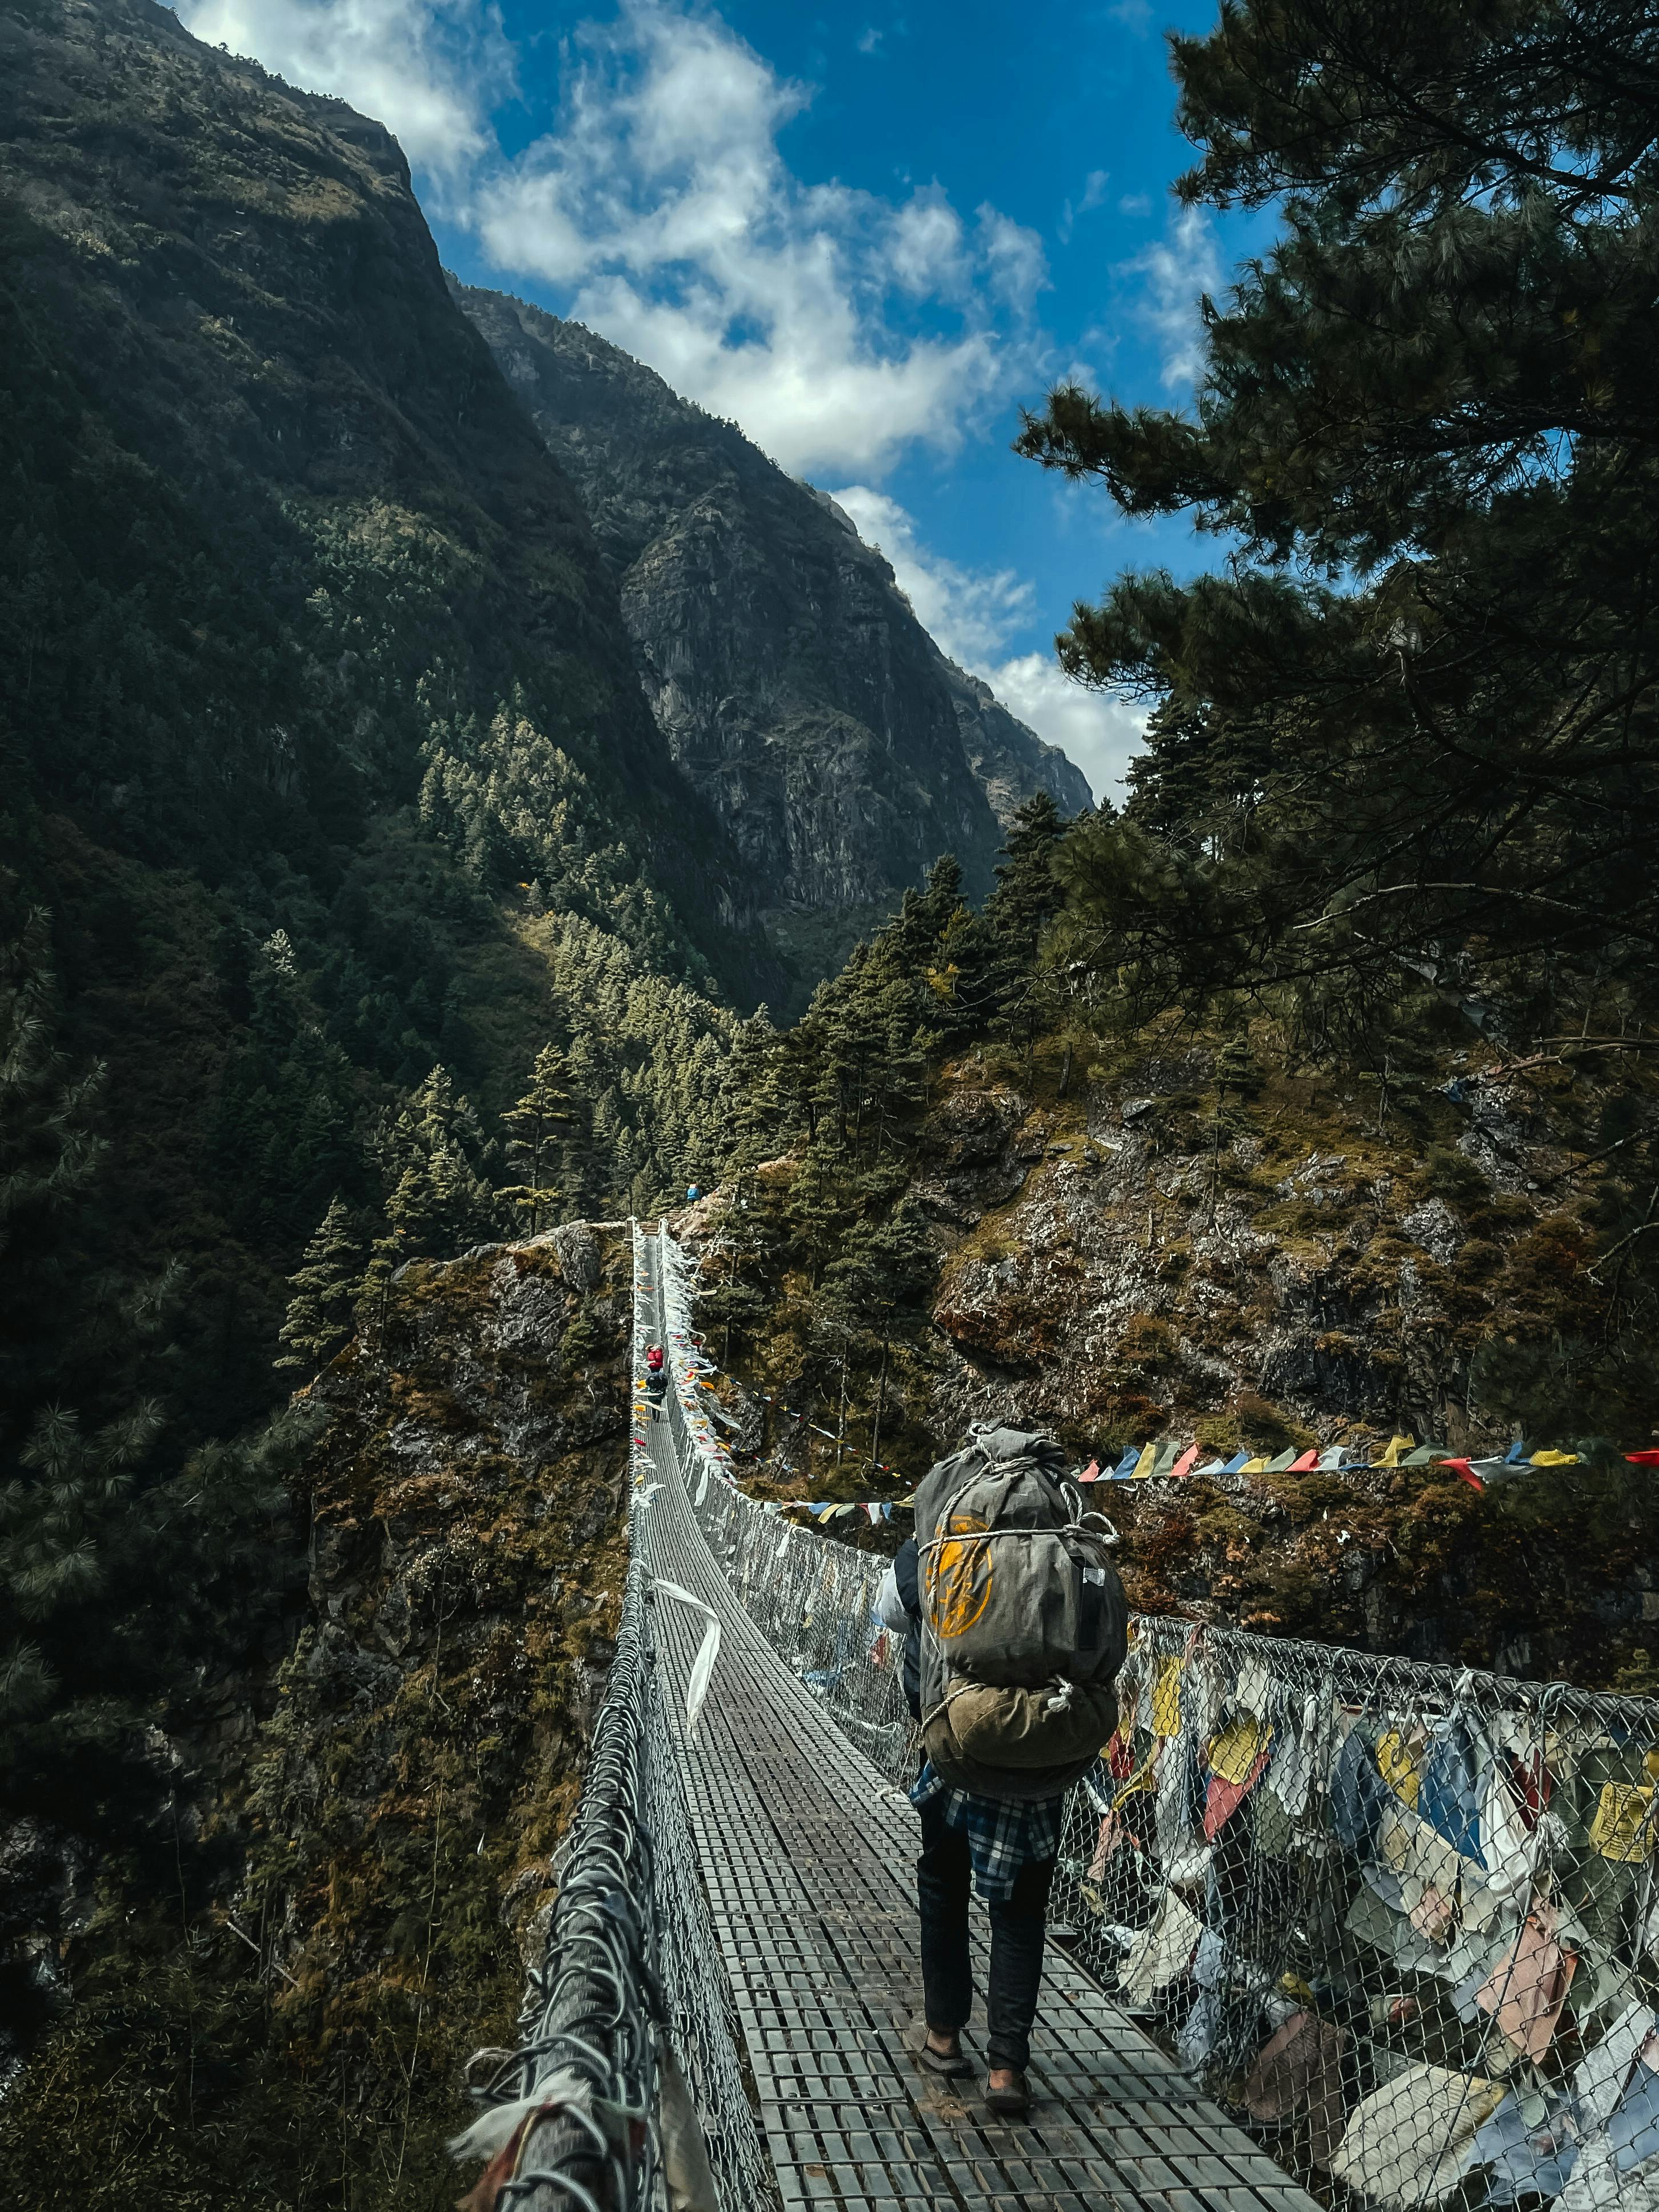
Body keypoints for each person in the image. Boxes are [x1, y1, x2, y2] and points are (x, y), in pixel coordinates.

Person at [876, 1535, 1061, 2118]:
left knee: (943, 1885)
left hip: (955, 1741)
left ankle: (943, 2038)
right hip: (1039, 1749)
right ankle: (1006, 2069)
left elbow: (890, 1610)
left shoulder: (933, 1542)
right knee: (1020, 1907)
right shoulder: (1058, 1539)